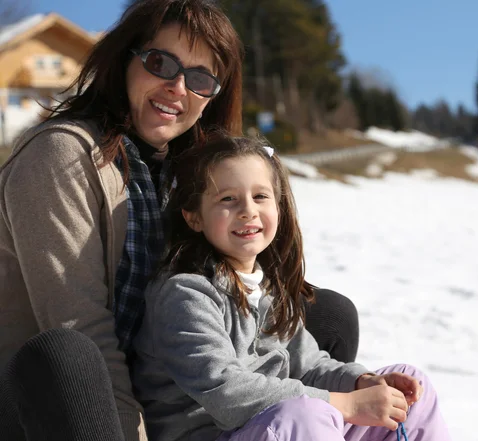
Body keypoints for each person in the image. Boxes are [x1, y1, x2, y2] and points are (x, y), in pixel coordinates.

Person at [0, 1, 358, 440]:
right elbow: (80, 325)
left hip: (157, 374)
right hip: (44, 399)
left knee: (328, 317)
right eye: (159, 62)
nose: (177, 87)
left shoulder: (186, 171)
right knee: (67, 354)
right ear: (125, 61)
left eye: (200, 78)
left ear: (212, 96)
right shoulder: (60, 156)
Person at [131, 134, 452, 441]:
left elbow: (309, 365)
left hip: (276, 427)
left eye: (260, 196)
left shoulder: (263, 287)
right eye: (227, 199)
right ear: (194, 217)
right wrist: (347, 405)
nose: (248, 210)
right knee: (305, 415)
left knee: (409, 390)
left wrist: (361, 382)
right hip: (216, 434)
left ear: (278, 207)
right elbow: (224, 392)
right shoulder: (185, 294)